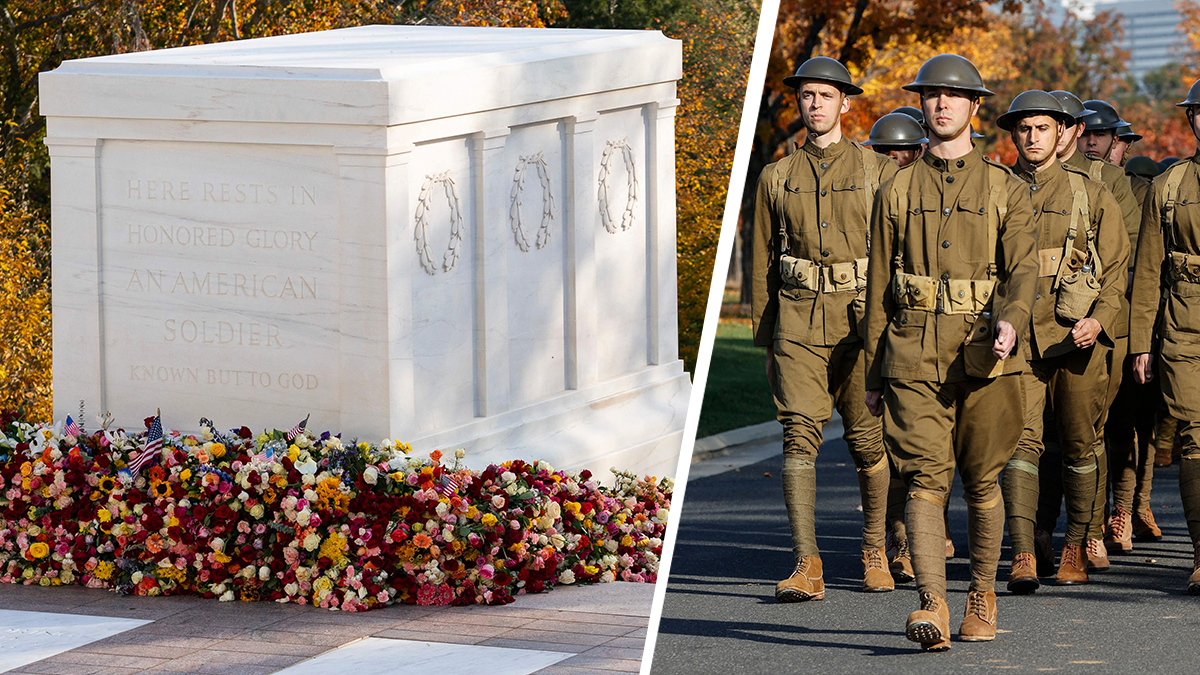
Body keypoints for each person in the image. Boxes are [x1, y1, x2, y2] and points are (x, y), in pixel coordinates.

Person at [864, 54, 1038, 650]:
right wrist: (873, 368)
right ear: (921, 104)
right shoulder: (896, 187)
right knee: (922, 480)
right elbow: (877, 287)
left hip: (986, 356)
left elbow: (1023, 273)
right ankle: (931, 605)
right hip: (912, 353)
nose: (941, 104)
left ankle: (981, 595)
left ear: (973, 107)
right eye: (932, 95)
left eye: (953, 97)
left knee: (983, 481)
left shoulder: (1005, 190)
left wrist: (1012, 322)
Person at [750, 56, 899, 603]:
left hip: (862, 325)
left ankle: (875, 550)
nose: (814, 104)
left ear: (845, 103)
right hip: (797, 319)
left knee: (866, 439)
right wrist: (767, 342)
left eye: (824, 95)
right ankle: (806, 562)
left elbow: (895, 252)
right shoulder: (777, 176)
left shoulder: (878, 172)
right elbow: (762, 262)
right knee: (798, 436)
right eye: (806, 95)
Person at [995, 91, 1129, 593]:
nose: (1032, 137)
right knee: (1020, 444)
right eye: (1024, 129)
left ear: (1063, 133)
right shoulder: (998, 189)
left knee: (1077, 443)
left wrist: (1098, 321)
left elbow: (1116, 273)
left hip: (1077, 340)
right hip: (1019, 342)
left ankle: (1075, 545)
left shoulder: (1091, 193)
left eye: (1042, 128)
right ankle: (1024, 552)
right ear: (1014, 134)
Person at [1130, 78, 1200, 593]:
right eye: (1197, 113)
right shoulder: (1169, 186)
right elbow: (1149, 271)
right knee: (1197, 436)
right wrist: (1140, 344)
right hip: (1184, 325)